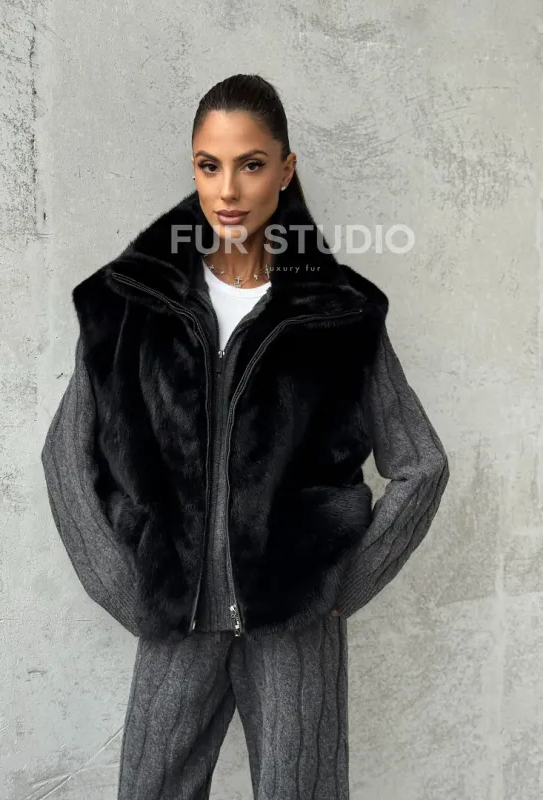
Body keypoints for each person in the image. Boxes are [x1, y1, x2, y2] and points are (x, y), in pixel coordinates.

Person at [40, 74, 450, 800]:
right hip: (176, 621)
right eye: (210, 165)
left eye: (251, 164)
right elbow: (64, 457)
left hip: (293, 634)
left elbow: (422, 464)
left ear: (286, 170)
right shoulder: (132, 305)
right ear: (194, 168)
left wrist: (336, 586)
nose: (228, 189)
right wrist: (126, 586)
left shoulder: (340, 315)